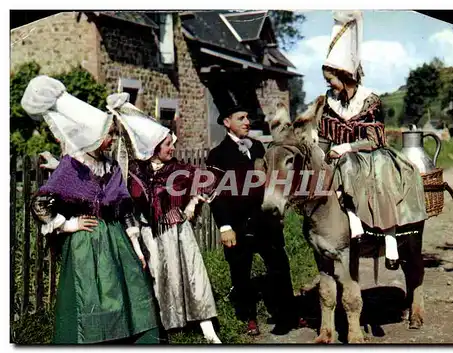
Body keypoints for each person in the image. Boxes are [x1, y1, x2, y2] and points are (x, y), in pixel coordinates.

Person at [21, 76, 161, 344]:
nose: (112, 138)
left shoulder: (109, 166)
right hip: (85, 243)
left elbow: (123, 206)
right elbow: (39, 203)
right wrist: (68, 224)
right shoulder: (72, 166)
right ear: (92, 136)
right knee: (91, 295)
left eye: (111, 133)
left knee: (127, 290)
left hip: (115, 239)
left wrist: (135, 244)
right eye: (108, 134)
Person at [317, 11, 428, 270]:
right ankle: (351, 222)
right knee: (330, 175)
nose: (329, 85)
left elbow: (374, 139)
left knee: (381, 175)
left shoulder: (370, 100)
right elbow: (323, 136)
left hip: (370, 155)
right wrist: (320, 154)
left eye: (331, 80)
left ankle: (389, 238)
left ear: (345, 77)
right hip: (339, 158)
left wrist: (346, 147)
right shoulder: (329, 101)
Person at [115, 98, 221, 344]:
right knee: (158, 278)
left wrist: (193, 201)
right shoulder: (136, 171)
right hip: (149, 235)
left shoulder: (179, 169)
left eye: (172, 144)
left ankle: (208, 330)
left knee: (190, 276)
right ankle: (167, 329)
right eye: (167, 144)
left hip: (177, 232)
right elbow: (126, 199)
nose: (172, 148)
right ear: (154, 146)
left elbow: (210, 179)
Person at [206, 103, 298, 336]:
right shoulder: (217, 155)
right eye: (241, 118)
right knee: (240, 271)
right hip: (237, 225)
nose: (247, 122)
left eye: (248, 117)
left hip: (265, 222)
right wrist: (225, 227)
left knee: (279, 266)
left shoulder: (258, 147)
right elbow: (215, 195)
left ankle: (288, 314)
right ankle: (248, 318)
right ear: (227, 122)